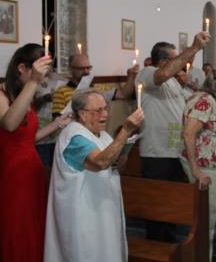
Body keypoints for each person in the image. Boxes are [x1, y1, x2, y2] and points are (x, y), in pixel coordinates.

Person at [44, 89, 143, 262]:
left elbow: (111, 164)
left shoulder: (102, 135)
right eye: (98, 111)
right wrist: (125, 130)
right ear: (82, 114)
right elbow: (99, 163)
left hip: (103, 211)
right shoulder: (74, 137)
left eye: (105, 108)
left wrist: (121, 160)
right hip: (83, 216)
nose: (104, 114)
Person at [0, 44, 71, 262]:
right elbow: (10, 125)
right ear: (22, 67)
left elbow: (26, 139)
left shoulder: (25, 94)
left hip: (32, 169)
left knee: (34, 225)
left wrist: (58, 124)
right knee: (17, 227)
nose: (42, 79)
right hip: (12, 174)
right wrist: (33, 82)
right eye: (38, 72)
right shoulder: (2, 93)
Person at [136, 32, 208, 241]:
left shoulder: (175, 83)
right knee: (157, 209)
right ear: (165, 61)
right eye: (177, 58)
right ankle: (158, 247)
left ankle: (172, 247)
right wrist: (193, 48)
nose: (183, 63)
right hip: (156, 153)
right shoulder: (148, 72)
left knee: (172, 207)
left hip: (177, 151)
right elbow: (161, 76)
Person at [180, 67, 216, 259]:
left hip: (208, 165)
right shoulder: (203, 102)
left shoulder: (209, 100)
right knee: (205, 223)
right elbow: (188, 134)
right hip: (203, 168)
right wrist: (195, 170)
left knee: (207, 221)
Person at [52, 54, 138, 116]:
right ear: (71, 69)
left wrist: (131, 76)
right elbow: (57, 121)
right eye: (81, 68)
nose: (86, 71)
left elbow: (123, 94)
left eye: (88, 68)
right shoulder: (61, 91)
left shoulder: (97, 88)